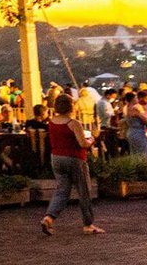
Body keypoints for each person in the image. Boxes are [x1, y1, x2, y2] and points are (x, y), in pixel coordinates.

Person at [40, 94, 102, 236]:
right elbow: (82, 144)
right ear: (71, 106)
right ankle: (88, 224)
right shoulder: (74, 123)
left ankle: (49, 218)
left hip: (56, 158)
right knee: (84, 191)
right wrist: (92, 139)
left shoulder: (52, 122)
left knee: (62, 190)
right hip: (74, 159)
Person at [122, 91, 147, 158]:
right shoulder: (135, 108)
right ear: (132, 99)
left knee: (134, 153)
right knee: (143, 153)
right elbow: (145, 120)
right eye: (136, 98)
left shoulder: (126, 108)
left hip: (130, 131)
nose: (137, 99)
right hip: (138, 132)